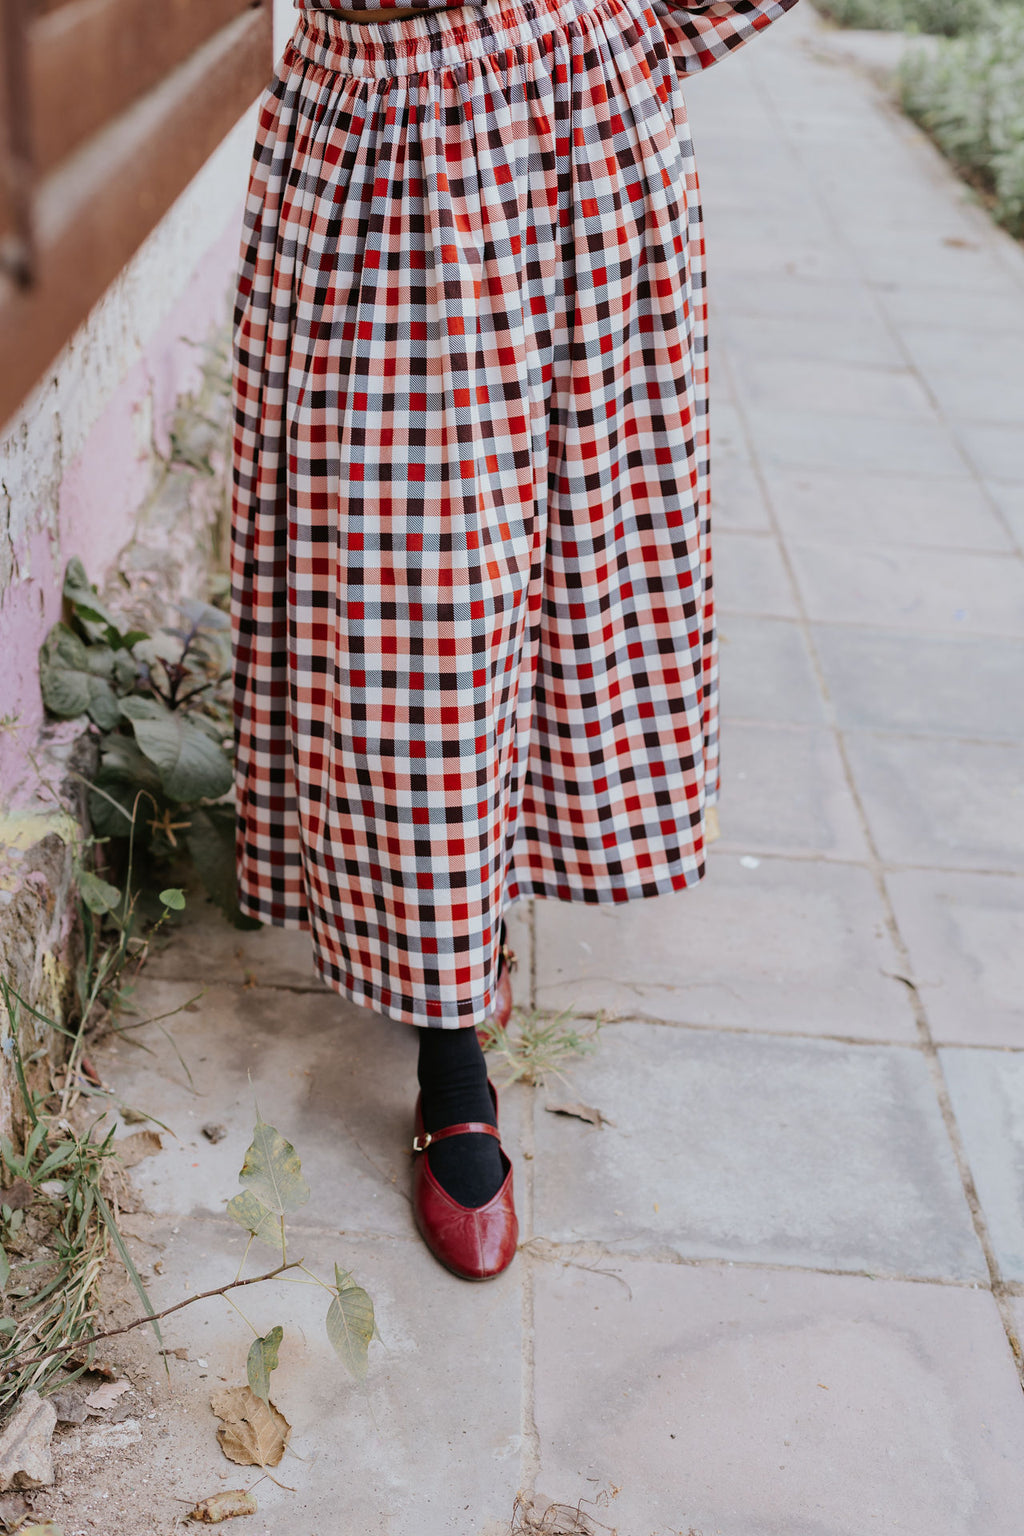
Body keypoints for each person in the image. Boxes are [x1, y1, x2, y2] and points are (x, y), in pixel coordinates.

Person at [230, 0, 799, 1282]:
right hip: (359, 127)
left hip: (569, 127)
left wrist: (643, 37)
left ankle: (455, 1013)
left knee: (548, 567)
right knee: (409, 600)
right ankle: (448, 1017)